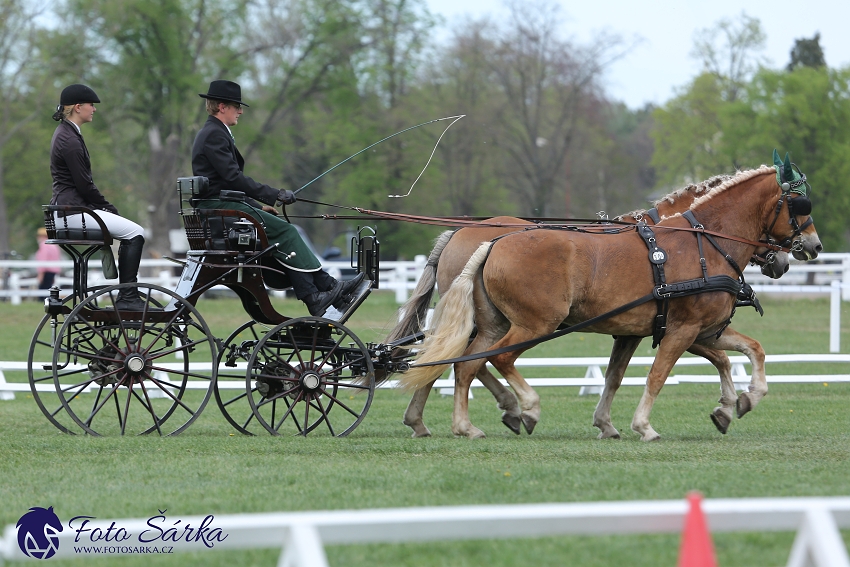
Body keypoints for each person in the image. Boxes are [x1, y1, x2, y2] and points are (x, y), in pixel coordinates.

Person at [191, 80, 364, 316]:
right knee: (288, 232)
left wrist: (258, 205)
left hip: (223, 206)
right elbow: (233, 178)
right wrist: (275, 194)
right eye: (237, 106)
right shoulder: (214, 134)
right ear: (222, 107)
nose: (241, 111)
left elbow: (223, 183)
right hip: (222, 209)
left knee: (283, 232)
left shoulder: (215, 132)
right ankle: (318, 294)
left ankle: (327, 287)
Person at [50, 84, 150, 311]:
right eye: (91, 105)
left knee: (130, 231)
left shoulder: (66, 133)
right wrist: (107, 207)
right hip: (73, 212)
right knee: (136, 233)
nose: (94, 109)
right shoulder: (70, 140)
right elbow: (85, 186)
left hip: (68, 211)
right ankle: (128, 296)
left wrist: (102, 208)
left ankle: (127, 295)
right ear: (78, 107)